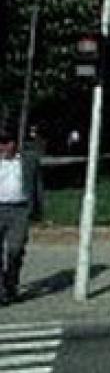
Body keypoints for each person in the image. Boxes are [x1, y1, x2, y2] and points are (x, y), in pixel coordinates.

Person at [0, 129, 46, 305]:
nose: (4, 147)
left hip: (19, 210)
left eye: (7, 142)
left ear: (15, 143)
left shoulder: (29, 160)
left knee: (15, 250)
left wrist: (38, 211)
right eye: (1, 143)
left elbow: (37, 186)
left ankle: (11, 285)